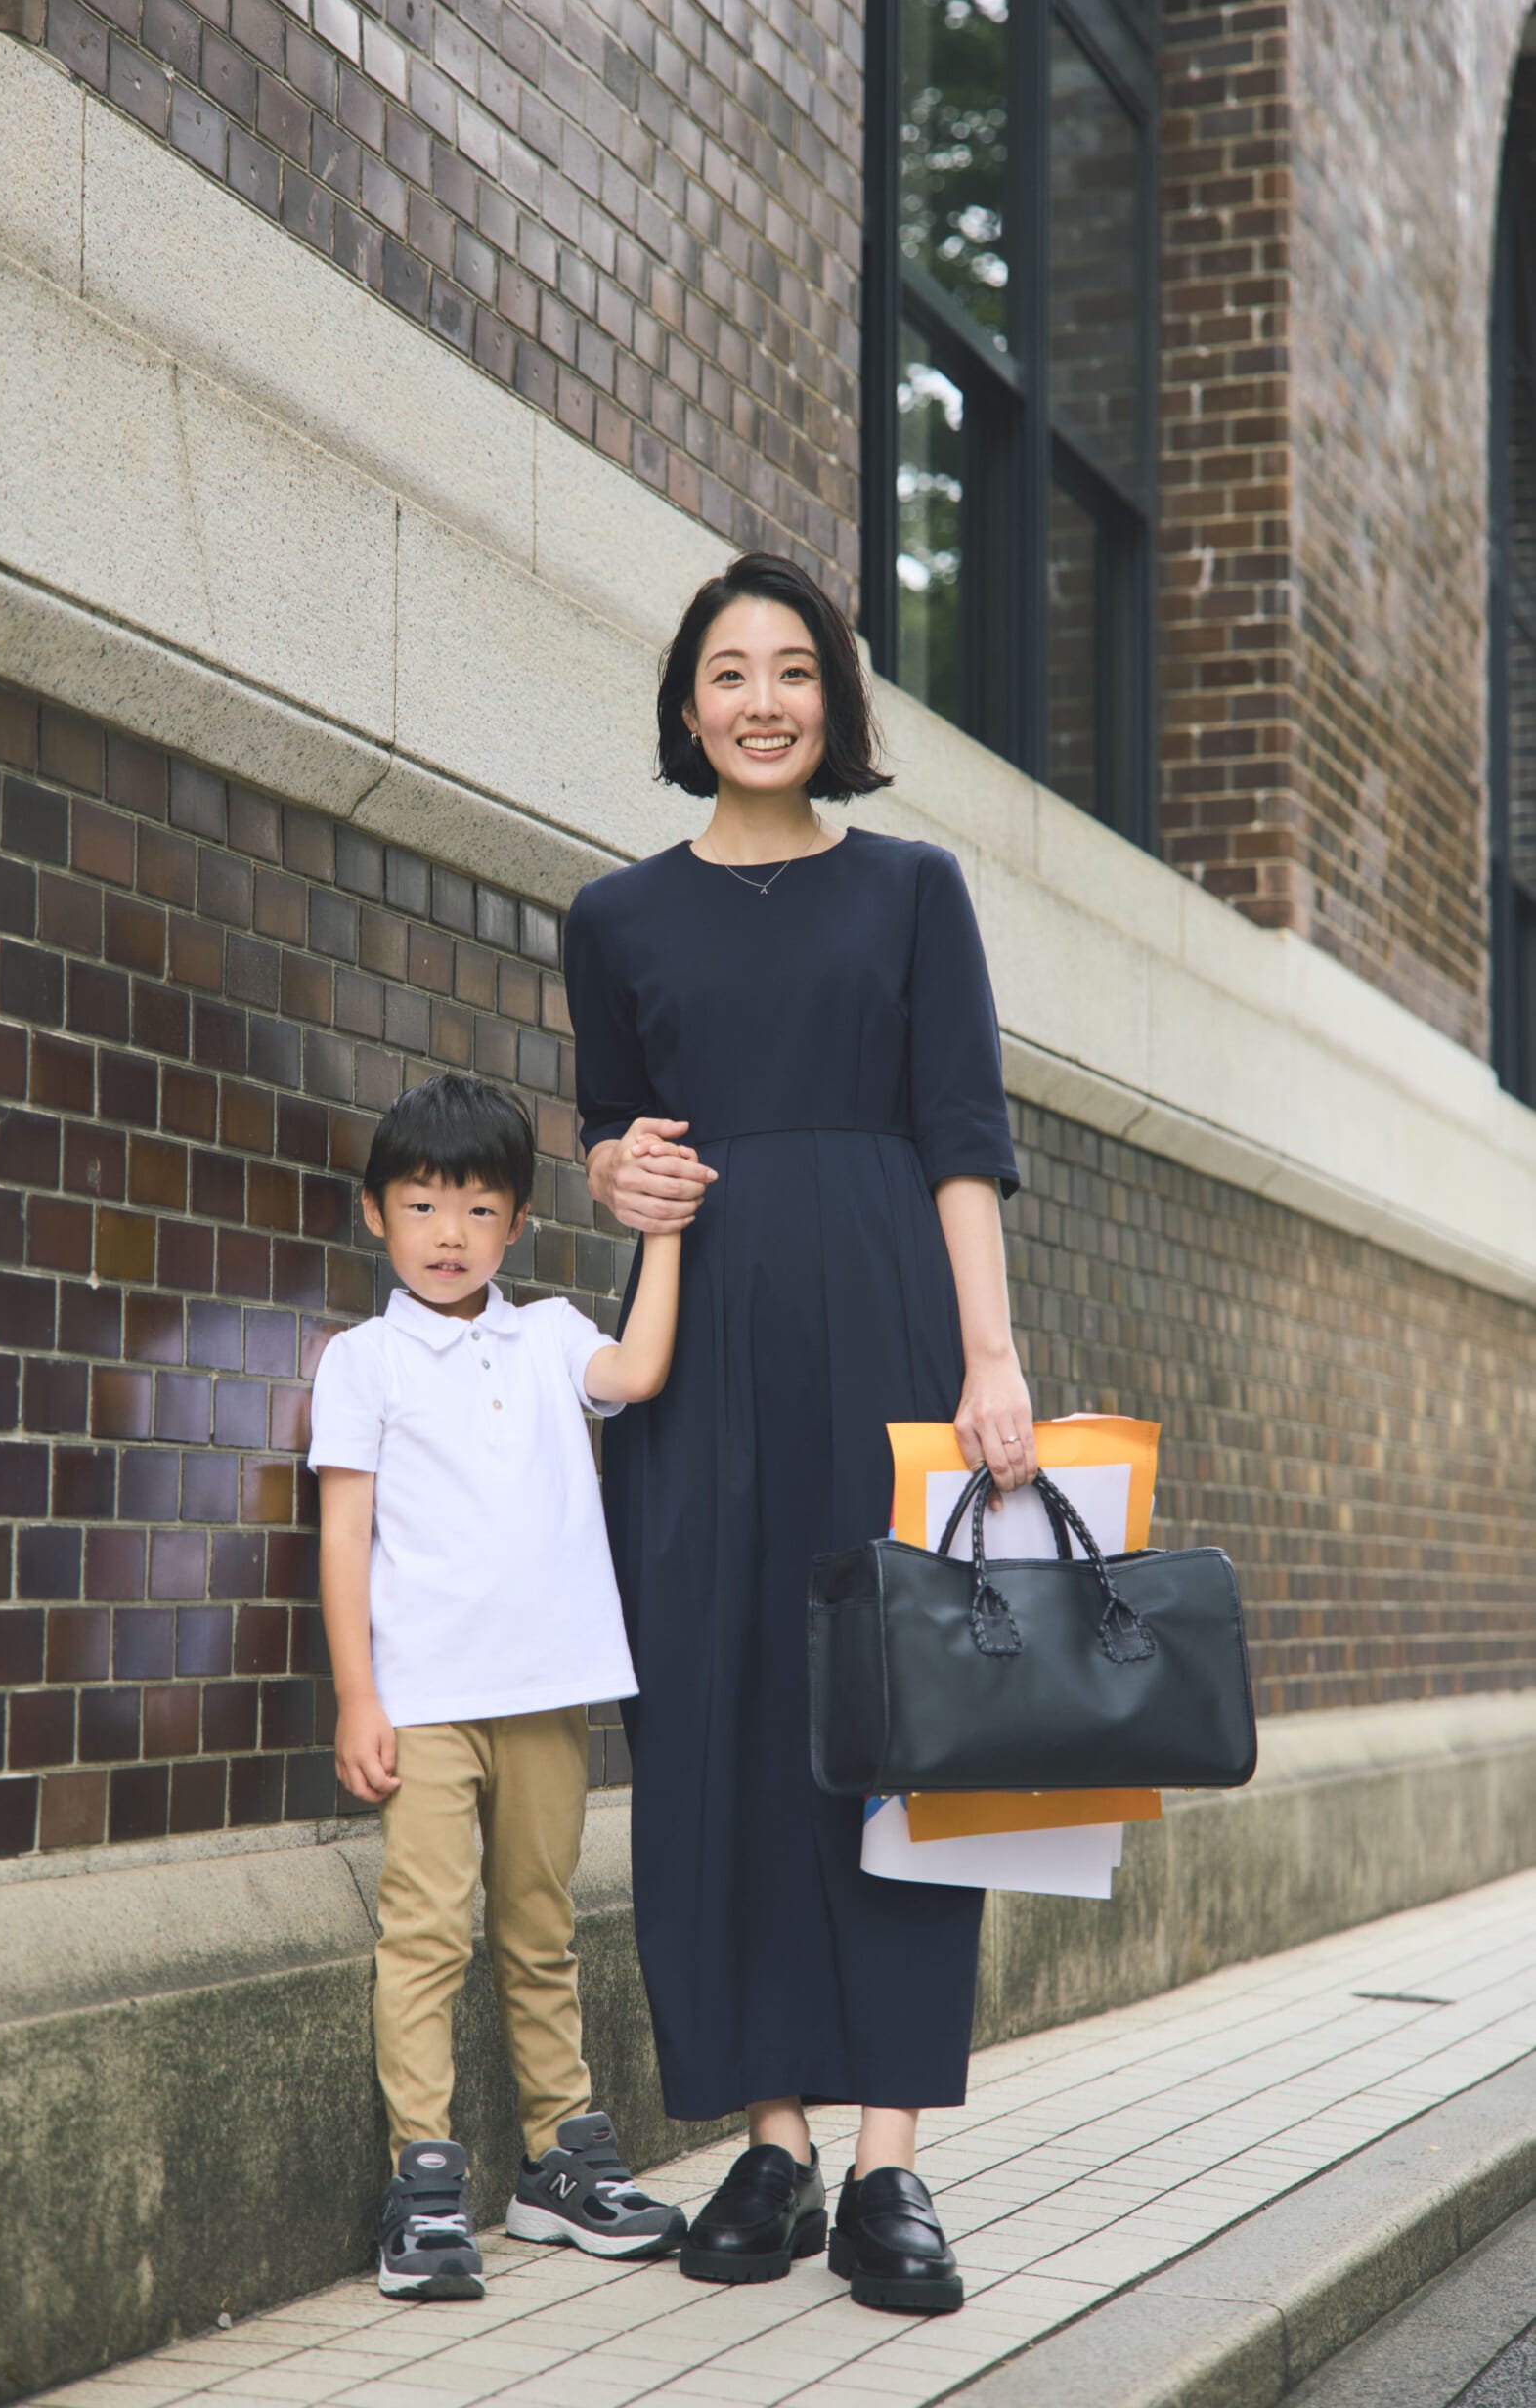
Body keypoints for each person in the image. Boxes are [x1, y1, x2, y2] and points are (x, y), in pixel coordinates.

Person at [563, 552, 1038, 2317]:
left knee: (900, 1722)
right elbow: (615, 1135)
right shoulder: (614, 918)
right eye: (726, 673)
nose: (759, 700)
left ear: (831, 700)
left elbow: (962, 1135)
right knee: (721, 1714)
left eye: (790, 670)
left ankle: (888, 2160)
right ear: (686, 708)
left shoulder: (912, 891)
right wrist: (611, 1174)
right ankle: (770, 2139)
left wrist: (990, 1357)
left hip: (890, 1331)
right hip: (700, 1357)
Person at [309, 1074, 690, 2300]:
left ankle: (558, 2160)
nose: (450, 1233)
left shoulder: (552, 1334)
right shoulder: (361, 1360)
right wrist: (357, 1696)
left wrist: (662, 1232)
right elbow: (343, 1535)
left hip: (548, 1687)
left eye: (479, 1209)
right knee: (425, 1933)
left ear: (517, 1222)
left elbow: (639, 1371)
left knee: (540, 1927)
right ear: (377, 1213)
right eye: (423, 1205)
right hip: (421, 1697)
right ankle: (422, 2179)